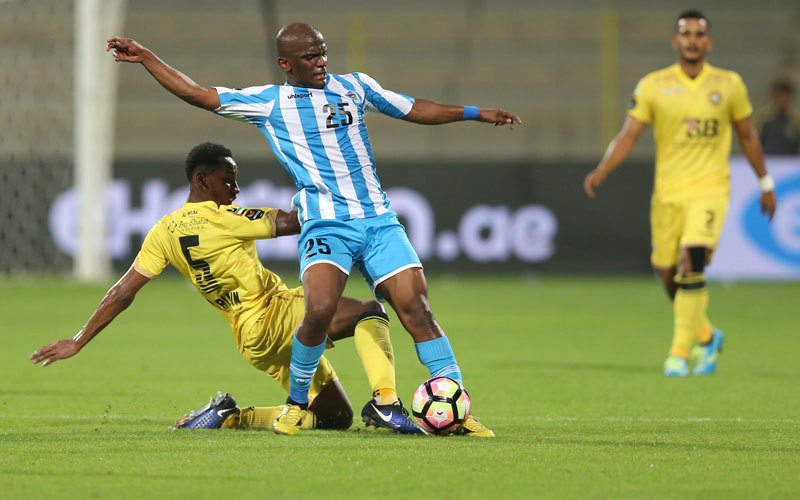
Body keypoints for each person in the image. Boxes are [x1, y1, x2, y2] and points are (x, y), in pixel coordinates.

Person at [106, 23, 520, 436]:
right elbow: (196, 93)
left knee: (418, 309)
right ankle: (295, 404)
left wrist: (476, 113)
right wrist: (146, 57)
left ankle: (455, 410)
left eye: (322, 53)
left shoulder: (355, 86)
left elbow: (414, 108)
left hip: (378, 220)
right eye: (310, 57)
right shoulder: (270, 103)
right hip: (326, 223)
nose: (321, 62)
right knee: (319, 310)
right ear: (286, 64)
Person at [30, 142, 426, 436]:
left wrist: (79, 340)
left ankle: (231, 417)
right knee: (370, 311)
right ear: (202, 180)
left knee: (334, 418)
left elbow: (122, 292)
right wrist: (327, 190)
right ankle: (385, 402)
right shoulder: (225, 217)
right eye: (228, 180)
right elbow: (292, 222)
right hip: (274, 315)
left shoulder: (163, 231)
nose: (235, 189)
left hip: (251, 340)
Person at [583, 10, 777, 376]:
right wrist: (603, 169)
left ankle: (678, 353)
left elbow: (748, 136)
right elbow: (628, 135)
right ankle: (706, 335)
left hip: (710, 188)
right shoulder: (654, 85)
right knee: (666, 271)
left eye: (699, 34)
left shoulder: (728, 84)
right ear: (675, 41)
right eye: (686, 33)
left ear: (709, 42)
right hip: (668, 193)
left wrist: (765, 184)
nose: (692, 40)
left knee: (692, 259)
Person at [752, 78, 800, 155]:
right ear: (774, 96)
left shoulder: (796, 120)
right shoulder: (762, 118)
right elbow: (751, 140)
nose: (782, 100)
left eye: (785, 97)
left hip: (790, 160)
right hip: (766, 158)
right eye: (779, 96)